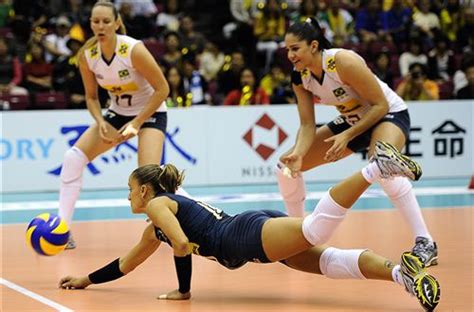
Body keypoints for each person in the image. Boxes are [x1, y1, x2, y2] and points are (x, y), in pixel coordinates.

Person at [58, 143, 440, 312]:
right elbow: (127, 264)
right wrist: (86, 280)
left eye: (129, 191)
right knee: (327, 261)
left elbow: (178, 242)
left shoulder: (158, 205)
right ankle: (400, 274)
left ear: (144, 189)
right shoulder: (155, 221)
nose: (127, 198)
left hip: (239, 237)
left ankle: (376, 168)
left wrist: (183, 290)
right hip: (247, 229)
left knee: (315, 232)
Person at [276, 18, 437, 267]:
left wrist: (347, 135)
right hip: (353, 120)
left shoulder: (342, 61)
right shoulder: (300, 76)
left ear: (314, 45)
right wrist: (298, 152)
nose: (290, 55)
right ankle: (296, 239)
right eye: (287, 49)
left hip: (387, 114)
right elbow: (308, 125)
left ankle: (425, 241)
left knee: (383, 166)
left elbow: (380, 105)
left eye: (295, 48)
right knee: (285, 169)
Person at [57, 1, 186, 249]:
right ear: (90, 24)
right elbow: (92, 97)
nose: (101, 26)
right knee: (73, 157)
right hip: (118, 112)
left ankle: (191, 221)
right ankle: (62, 230)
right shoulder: (87, 55)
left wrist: (137, 123)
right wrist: (100, 122)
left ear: (117, 23)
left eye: (106, 21)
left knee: (149, 179)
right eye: (96, 21)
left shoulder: (133, 49)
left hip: (150, 111)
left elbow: (163, 89)